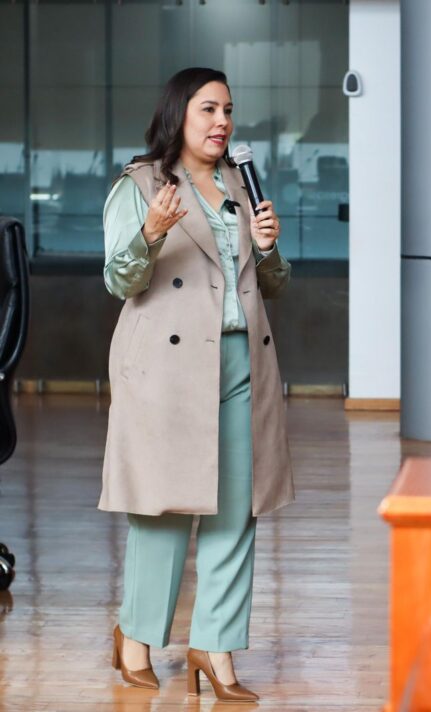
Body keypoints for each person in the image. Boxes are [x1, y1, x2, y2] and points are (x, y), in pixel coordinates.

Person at [99, 67, 293, 702]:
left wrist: (267, 250)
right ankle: (136, 637)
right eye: (209, 109)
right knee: (163, 509)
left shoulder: (240, 183)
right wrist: (152, 232)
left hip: (240, 364)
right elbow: (119, 281)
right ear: (179, 113)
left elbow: (273, 285)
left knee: (237, 512)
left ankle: (215, 647)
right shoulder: (139, 185)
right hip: (166, 369)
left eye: (229, 111)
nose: (222, 122)